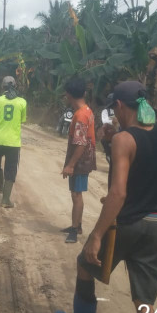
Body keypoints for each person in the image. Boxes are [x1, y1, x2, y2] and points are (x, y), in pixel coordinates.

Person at [54, 81, 157, 313]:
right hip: (156, 226)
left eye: (113, 108)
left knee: (84, 265)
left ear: (119, 106)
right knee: (144, 302)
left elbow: (118, 193)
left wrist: (96, 236)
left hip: (128, 225)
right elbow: (145, 173)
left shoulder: (124, 139)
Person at [60, 78, 96, 244]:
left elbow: (80, 142)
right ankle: (77, 225)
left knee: (76, 194)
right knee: (76, 192)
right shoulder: (87, 111)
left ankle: (75, 229)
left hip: (80, 159)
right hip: (84, 157)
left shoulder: (81, 115)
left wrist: (70, 165)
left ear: (69, 95)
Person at [0, 75, 27, 208]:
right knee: (10, 170)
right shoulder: (22, 102)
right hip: (13, 143)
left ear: (2, 87)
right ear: (15, 86)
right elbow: (21, 120)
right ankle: (5, 200)